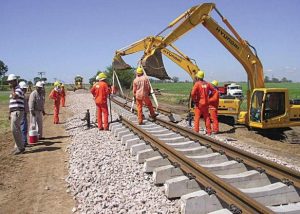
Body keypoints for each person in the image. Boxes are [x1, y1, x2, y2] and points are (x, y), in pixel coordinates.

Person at [191, 70, 215, 135]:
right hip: (206, 103)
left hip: (199, 103)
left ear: (198, 77)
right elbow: (214, 91)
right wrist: (209, 97)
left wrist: (194, 99)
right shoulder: (207, 83)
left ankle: (196, 131)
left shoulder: (197, 84)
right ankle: (209, 131)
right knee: (206, 117)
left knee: (197, 117)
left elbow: (192, 93)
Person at [7, 74, 25, 155]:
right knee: (17, 130)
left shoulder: (18, 89)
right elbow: (11, 102)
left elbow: (15, 97)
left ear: (15, 81)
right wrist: (9, 112)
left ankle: (20, 148)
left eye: (10, 82)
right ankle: (19, 146)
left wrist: (13, 88)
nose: (9, 84)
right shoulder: (14, 89)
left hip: (17, 111)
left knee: (15, 130)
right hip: (14, 111)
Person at [19, 81, 29, 146]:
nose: (25, 90)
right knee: (23, 128)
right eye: (24, 89)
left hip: (24, 113)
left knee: (25, 127)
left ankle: (24, 141)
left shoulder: (23, 95)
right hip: (22, 113)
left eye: (25, 89)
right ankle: (23, 141)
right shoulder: (20, 96)